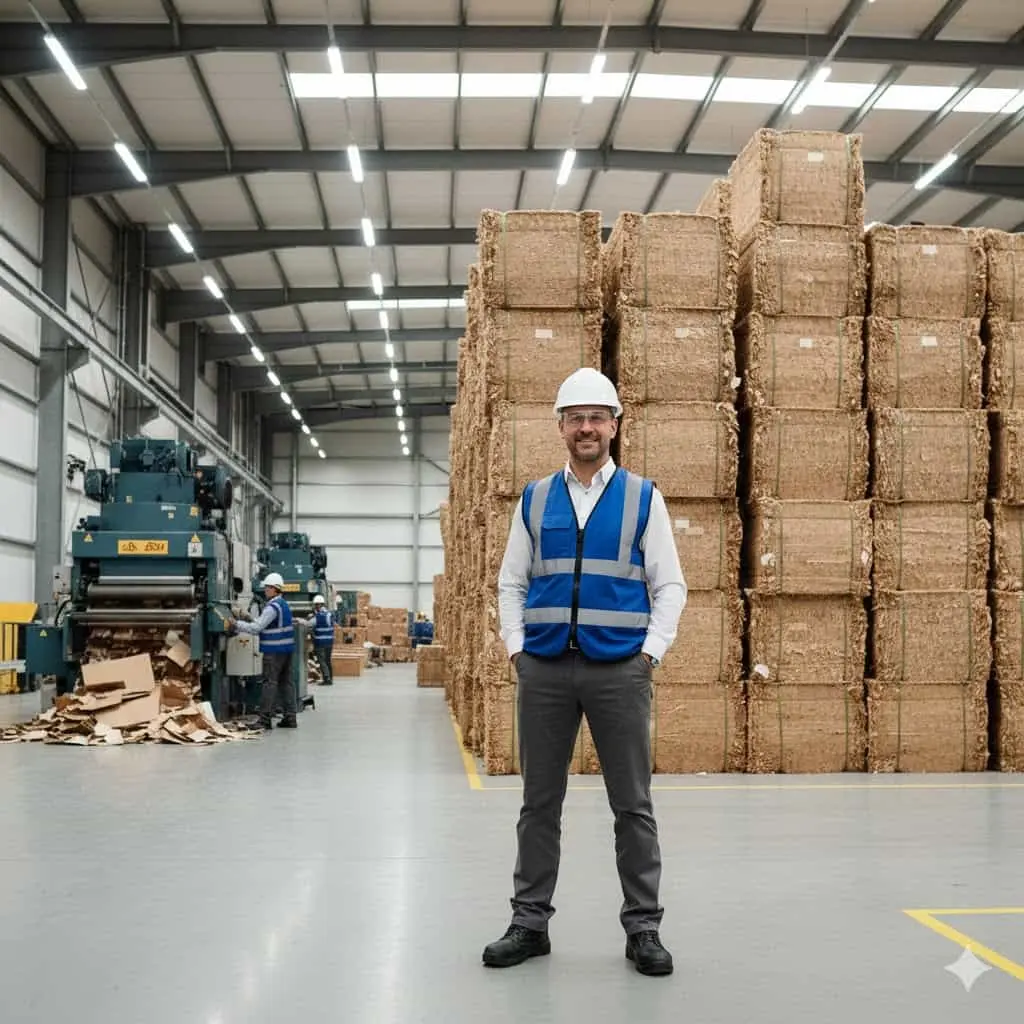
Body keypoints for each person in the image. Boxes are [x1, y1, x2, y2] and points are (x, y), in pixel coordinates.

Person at [483, 367, 687, 977]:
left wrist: (650, 653)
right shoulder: (534, 498)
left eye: (598, 417)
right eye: (576, 418)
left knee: (632, 805)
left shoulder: (644, 498)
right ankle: (529, 924)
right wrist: (516, 647)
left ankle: (643, 929)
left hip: (618, 670)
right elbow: (511, 581)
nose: (587, 428)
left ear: (616, 425)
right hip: (543, 670)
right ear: (561, 427)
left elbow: (670, 584)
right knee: (538, 804)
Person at [228, 572, 298, 729]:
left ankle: (264, 720)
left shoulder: (272, 607)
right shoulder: (283, 604)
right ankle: (290, 717)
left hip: (274, 651)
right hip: (286, 651)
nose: (265, 590)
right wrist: (248, 618)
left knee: (269, 684)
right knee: (286, 684)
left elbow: (256, 628)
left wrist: (236, 624)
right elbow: (264, 623)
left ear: (274, 589)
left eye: (267, 587)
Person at [305, 594, 335, 685]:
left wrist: (307, 619)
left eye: (315, 605)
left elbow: (307, 625)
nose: (315, 606)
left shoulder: (317, 617)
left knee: (322, 661)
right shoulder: (329, 614)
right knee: (328, 660)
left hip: (320, 642)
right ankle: (330, 677)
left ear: (318, 605)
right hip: (329, 641)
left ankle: (326, 679)